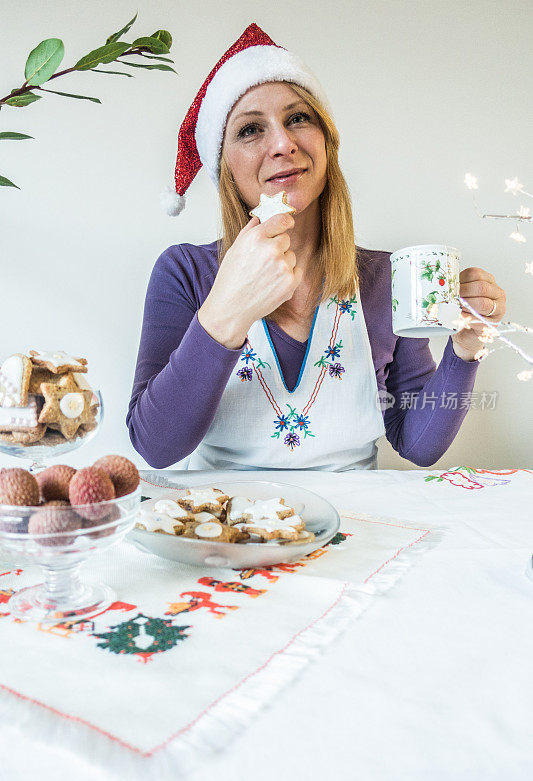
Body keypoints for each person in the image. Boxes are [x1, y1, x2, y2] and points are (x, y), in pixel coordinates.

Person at [126, 23, 506, 471]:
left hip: (355, 530)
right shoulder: (185, 272)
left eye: (298, 118)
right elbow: (155, 446)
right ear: (222, 165)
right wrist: (227, 307)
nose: (284, 143)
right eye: (250, 129)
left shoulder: (386, 278)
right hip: (221, 528)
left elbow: (418, 445)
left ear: (326, 142)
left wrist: (464, 351)